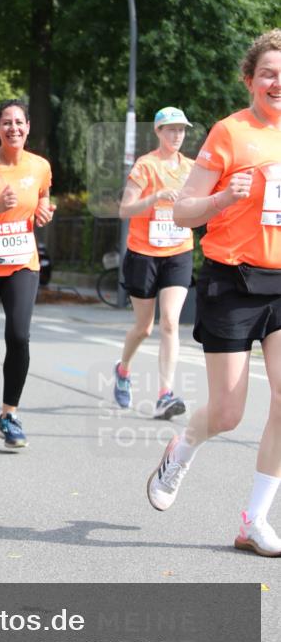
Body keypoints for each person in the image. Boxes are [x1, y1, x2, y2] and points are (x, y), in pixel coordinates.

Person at [147, 30, 281, 557]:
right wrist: (225, 197)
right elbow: (183, 211)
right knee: (227, 413)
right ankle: (182, 448)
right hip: (233, 280)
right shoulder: (230, 132)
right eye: (268, 73)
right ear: (250, 80)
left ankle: (255, 520)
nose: (278, 82)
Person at [0, 99, 54, 448]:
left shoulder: (40, 166)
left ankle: (9, 415)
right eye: (6, 123)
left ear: (28, 127)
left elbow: (43, 195)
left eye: (19, 122)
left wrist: (43, 209)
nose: (13, 128)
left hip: (22, 264)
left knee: (18, 336)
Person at [113, 107, 195, 418]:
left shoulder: (192, 168)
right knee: (144, 327)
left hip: (178, 250)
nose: (177, 135)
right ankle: (123, 369)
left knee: (170, 321)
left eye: (181, 130)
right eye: (171, 129)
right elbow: (125, 210)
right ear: (158, 132)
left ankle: (164, 395)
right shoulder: (145, 166)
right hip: (144, 253)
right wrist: (156, 196)